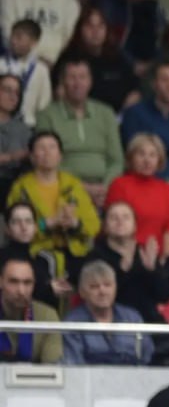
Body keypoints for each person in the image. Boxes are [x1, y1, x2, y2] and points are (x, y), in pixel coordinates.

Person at [6, 129, 100, 275]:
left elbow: (93, 225)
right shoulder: (21, 188)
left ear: (60, 155)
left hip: (76, 250)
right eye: (41, 148)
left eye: (52, 147)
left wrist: (75, 224)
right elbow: (13, 231)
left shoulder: (73, 184)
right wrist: (47, 223)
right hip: (38, 252)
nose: (47, 153)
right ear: (32, 157)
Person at [34, 58, 123, 204]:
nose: (77, 83)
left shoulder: (106, 113)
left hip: (105, 190)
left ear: (90, 81)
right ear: (63, 82)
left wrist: (105, 187)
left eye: (82, 77)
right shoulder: (47, 115)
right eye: (72, 77)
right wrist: (80, 187)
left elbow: (116, 160)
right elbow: (46, 160)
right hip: (63, 188)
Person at [119, 61, 169, 181]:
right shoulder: (135, 113)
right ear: (154, 84)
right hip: (143, 180)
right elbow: (133, 153)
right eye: (164, 80)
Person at [103, 133, 169, 261]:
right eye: (141, 154)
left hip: (157, 259)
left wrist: (164, 261)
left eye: (152, 155)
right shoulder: (119, 184)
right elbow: (113, 227)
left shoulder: (168, 190)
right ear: (131, 158)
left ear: (159, 160)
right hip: (124, 255)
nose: (147, 160)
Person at [61, 259, 152, 365]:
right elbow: (73, 364)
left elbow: (147, 358)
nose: (102, 291)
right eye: (94, 287)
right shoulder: (72, 323)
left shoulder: (133, 318)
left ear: (115, 288)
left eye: (107, 285)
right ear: (82, 292)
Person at [0, 201, 65, 307]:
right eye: (16, 222)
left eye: (28, 221)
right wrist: (48, 290)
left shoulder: (43, 259)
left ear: (35, 227)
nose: (23, 227)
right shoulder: (2, 257)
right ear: (7, 229)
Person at [0, 255, 60, 363]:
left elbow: (53, 367)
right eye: (13, 282)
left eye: (27, 283)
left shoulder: (47, 315)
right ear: (1, 282)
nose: (21, 291)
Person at [0, 19, 51, 125]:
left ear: (33, 42)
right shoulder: (1, 64)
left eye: (19, 37)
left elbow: (44, 104)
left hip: (28, 124)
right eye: (12, 36)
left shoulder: (41, 70)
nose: (13, 41)